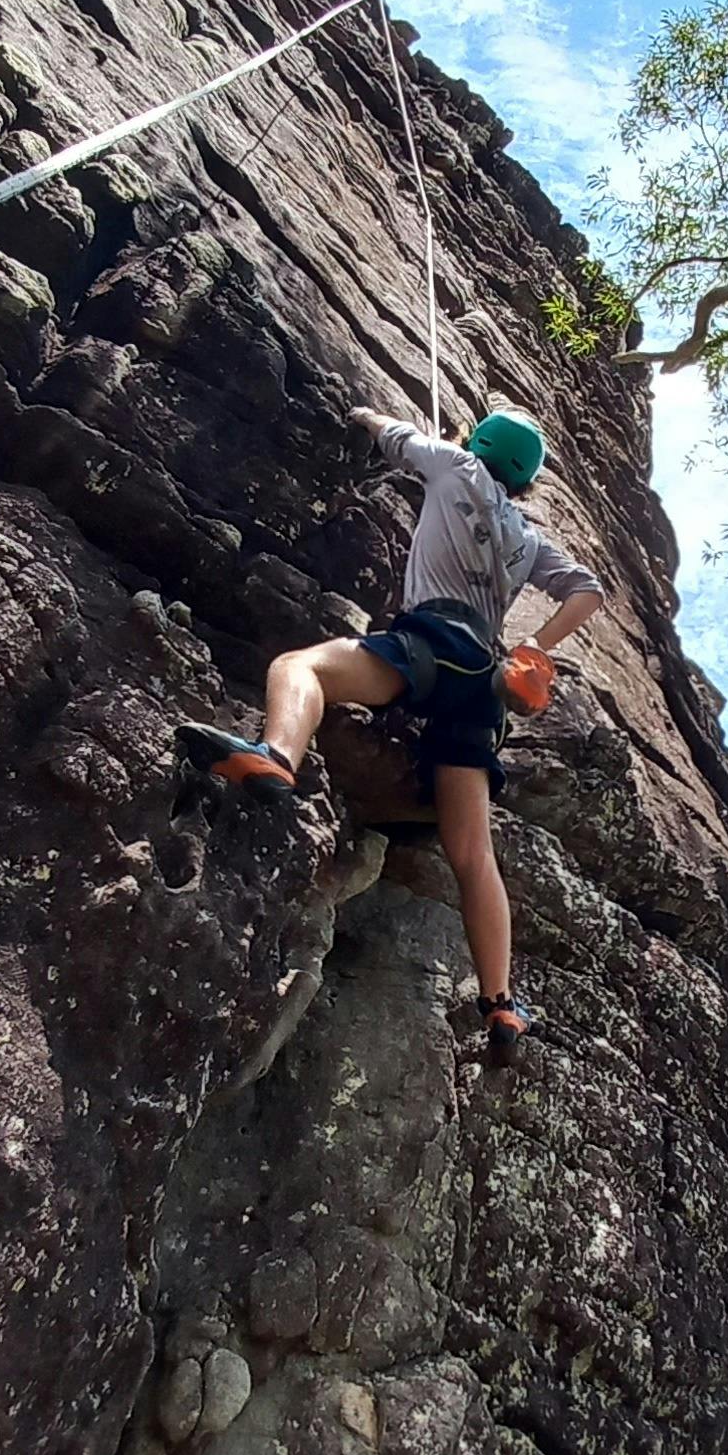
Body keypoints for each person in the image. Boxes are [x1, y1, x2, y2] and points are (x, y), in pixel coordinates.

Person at [179, 404, 606, 1060]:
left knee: (301, 667)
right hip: (485, 677)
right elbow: (588, 589)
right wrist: (534, 649)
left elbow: (387, 432)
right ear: (525, 478)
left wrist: (361, 413)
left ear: (480, 444)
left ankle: (276, 755)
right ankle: (500, 1006)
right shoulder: (525, 535)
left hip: (432, 642)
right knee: (473, 855)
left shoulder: (455, 464)